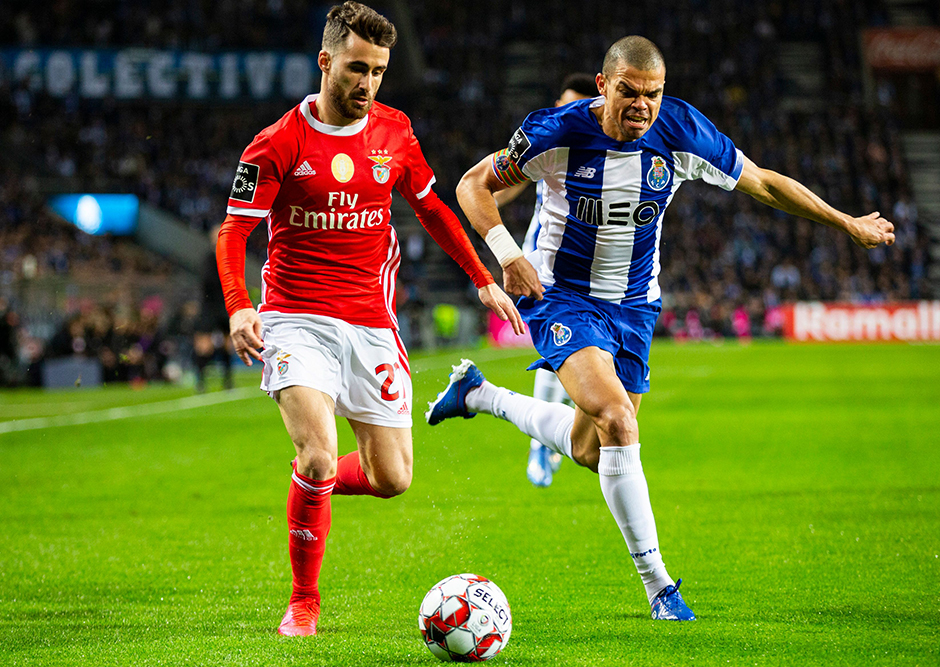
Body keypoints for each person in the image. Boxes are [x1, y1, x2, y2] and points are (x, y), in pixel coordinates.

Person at [427, 35, 894, 621]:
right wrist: (505, 251)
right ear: (603, 87)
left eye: (653, 94)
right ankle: (660, 587)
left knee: (591, 450)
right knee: (619, 420)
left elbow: (765, 182)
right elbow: (473, 184)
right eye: (629, 92)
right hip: (562, 297)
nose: (642, 106)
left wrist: (844, 221)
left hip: (636, 307)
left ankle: (480, 395)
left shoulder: (682, 131)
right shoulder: (558, 131)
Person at [217, 2, 521, 637]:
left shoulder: (394, 131)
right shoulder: (275, 144)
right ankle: (304, 601)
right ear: (326, 62)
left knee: (393, 478)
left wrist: (484, 278)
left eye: (379, 72)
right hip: (294, 319)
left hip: (371, 323)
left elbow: (433, 206)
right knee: (322, 453)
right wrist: (240, 305)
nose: (368, 84)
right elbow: (235, 231)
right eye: (357, 68)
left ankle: (310, 484)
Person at [493, 73, 599, 488]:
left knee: (583, 364)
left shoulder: (601, 149)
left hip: (594, 271)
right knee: (558, 354)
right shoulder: (550, 143)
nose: (565, 113)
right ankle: (540, 443)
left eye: (575, 106)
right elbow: (503, 183)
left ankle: (551, 432)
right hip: (544, 262)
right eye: (562, 104)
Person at [194, 224, 234, 393]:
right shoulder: (209, 259)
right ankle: (201, 381)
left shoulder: (229, 258)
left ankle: (228, 381)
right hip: (210, 306)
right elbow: (207, 283)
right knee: (204, 344)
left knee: (228, 343)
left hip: (225, 305)